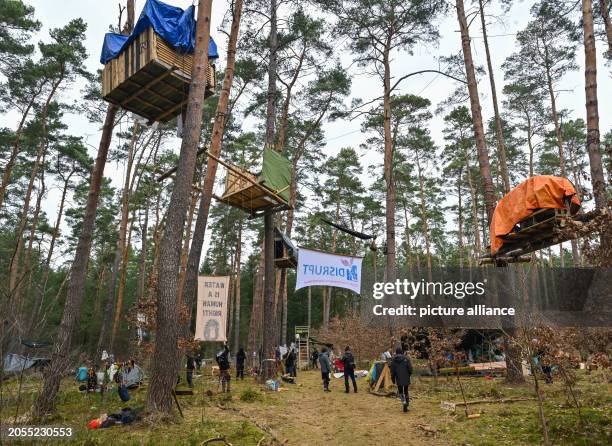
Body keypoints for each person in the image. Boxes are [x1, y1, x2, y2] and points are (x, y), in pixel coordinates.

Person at [390, 347, 413, 413]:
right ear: (402, 352)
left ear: (396, 353)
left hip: (398, 378)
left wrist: (393, 380)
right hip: (406, 377)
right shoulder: (406, 359)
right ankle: (407, 404)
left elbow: (392, 371)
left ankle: (403, 401)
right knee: (406, 391)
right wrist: (410, 374)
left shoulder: (393, 360)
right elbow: (410, 368)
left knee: (400, 391)